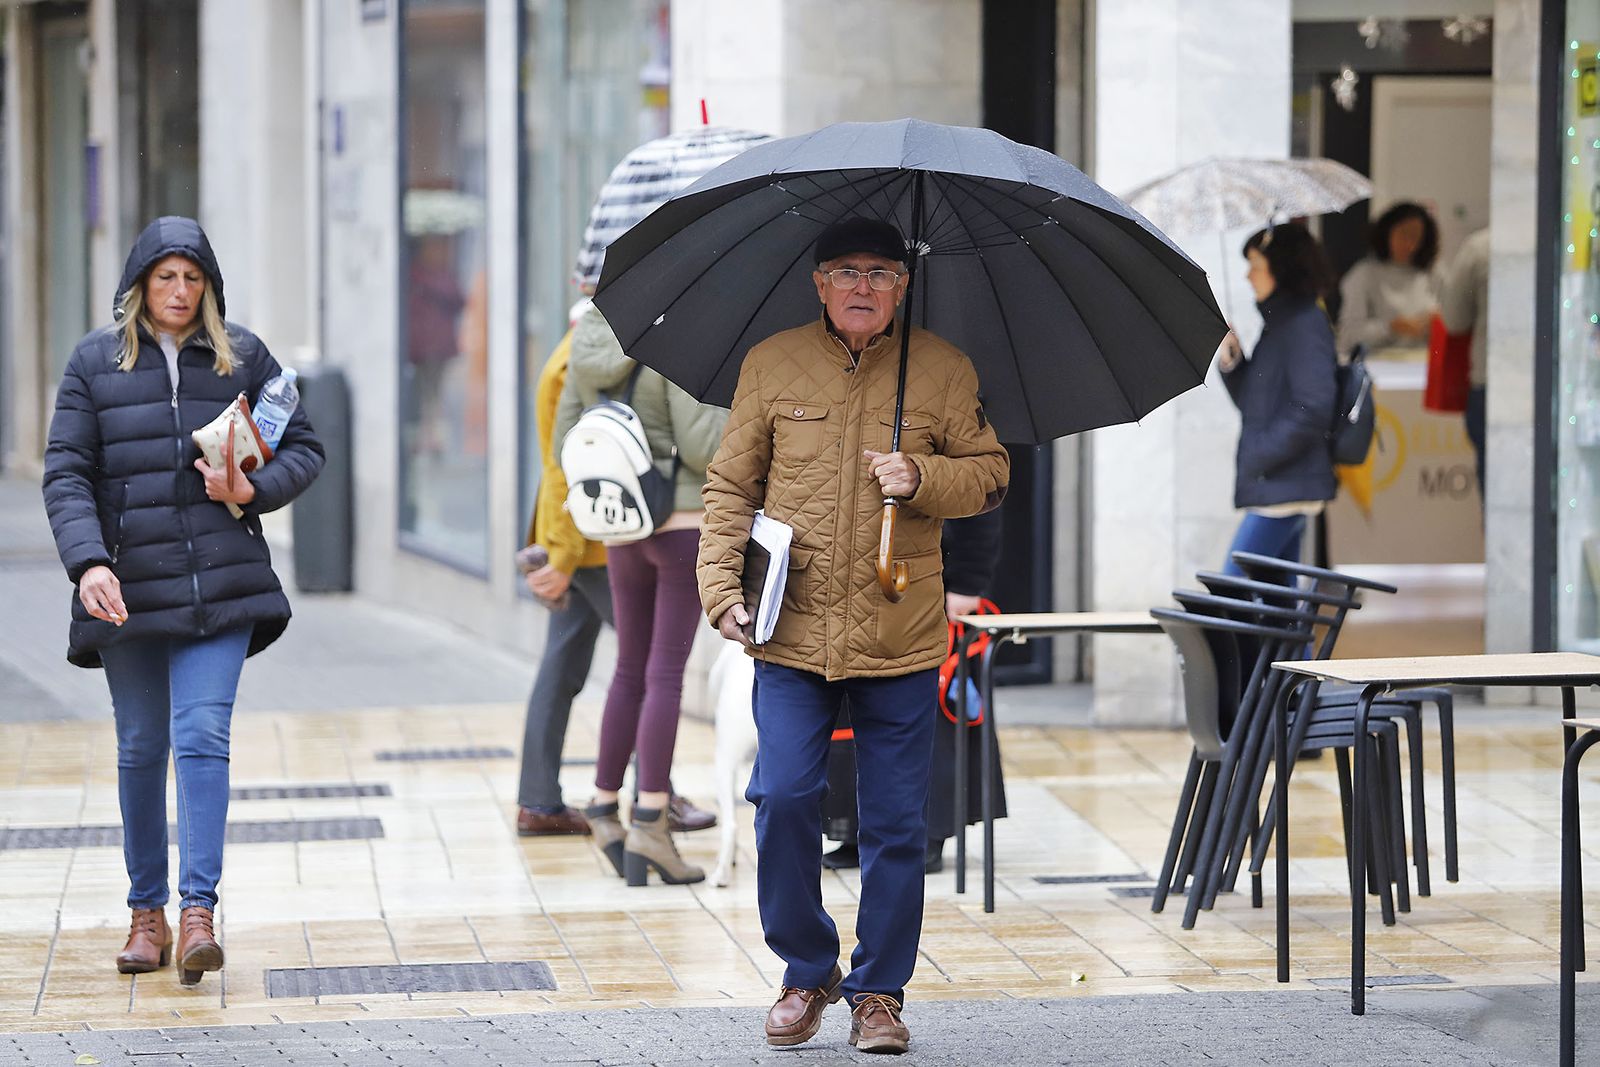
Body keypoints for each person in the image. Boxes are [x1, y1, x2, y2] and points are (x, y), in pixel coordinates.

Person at [697, 218, 1009, 1053]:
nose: (863, 286)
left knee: (897, 822)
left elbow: (990, 473)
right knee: (785, 797)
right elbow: (731, 483)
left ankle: (879, 991)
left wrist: (924, 476)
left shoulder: (941, 369)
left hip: (901, 630)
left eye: (879, 272)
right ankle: (808, 968)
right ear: (820, 282)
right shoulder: (772, 363)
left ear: (903, 285)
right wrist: (719, 589)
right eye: (846, 272)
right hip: (791, 629)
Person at [41, 216, 325, 985]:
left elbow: (305, 447)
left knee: (202, 733)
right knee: (140, 747)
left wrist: (251, 488)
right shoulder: (93, 363)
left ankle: (198, 911)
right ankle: (146, 912)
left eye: (192, 277)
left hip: (219, 585)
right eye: (165, 277)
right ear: (139, 285)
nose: (179, 291)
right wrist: (87, 563)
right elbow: (65, 470)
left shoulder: (245, 357)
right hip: (126, 591)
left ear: (210, 286)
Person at [514, 316, 719, 838]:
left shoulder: (585, 341)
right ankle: (651, 819)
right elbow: (700, 448)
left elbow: (565, 444)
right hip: (678, 522)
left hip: (618, 524)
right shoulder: (680, 341)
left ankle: (604, 808)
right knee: (665, 673)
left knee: (630, 668)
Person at [820, 506, 1008, 874]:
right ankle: (855, 831)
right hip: (853, 589)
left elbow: (979, 499)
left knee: (929, 718)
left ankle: (928, 832)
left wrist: (969, 580)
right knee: (850, 713)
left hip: (932, 586)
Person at [1219, 222, 1339, 574]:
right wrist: (1234, 361)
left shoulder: (1303, 324)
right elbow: (1255, 404)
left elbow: (1314, 405)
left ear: (1280, 267)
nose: (1247, 276)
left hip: (1284, 488)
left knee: (1231, 588)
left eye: (1255, 264)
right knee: (1279, 609)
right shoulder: (1281, 324)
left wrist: (1260, 453)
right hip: (1280, 485)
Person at [1335, 200, 1441, 358]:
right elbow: (1348, 335)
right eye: (1404, 235)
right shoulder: (1363, 274)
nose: (1410, 245)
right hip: (1378, 365)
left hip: (1420, 364)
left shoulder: (1431, 274)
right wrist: (1390, 327)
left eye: (1416, 238)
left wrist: (1436, 324)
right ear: (1387, 232)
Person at [1438, 227, 1490, 497]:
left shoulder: (1481, 247)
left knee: (1495, 494)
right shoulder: (1566, 237)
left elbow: (1455, 321)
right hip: (1559, 385)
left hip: (1490, 382)